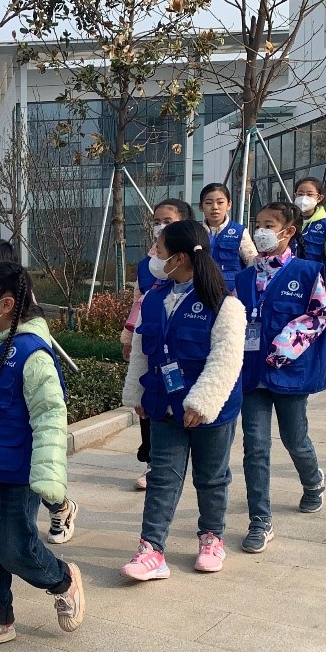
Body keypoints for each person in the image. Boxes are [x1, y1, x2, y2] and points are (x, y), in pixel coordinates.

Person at [0, 260, 86, 651]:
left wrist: (49, 477)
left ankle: (62, 580)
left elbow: (50, 417)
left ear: (6, 304)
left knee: (14, 547)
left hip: (16, 472)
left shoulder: (33, 354)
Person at [120, 220, 246, 581]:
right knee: (162, 477)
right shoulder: (153, 298)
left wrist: (201, 403)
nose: (153, 255)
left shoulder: (224, 304)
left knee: (211, 477)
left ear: (179, 258)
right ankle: (151, 550)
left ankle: (211, 538)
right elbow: (141, 351)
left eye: (159, 249)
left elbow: (226, 359)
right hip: (164, 404)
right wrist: (137, 393)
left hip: (210, 410)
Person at [0, 239, 79, 543]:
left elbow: (48, 413)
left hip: (17, 453)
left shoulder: (28, 343)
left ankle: (61, 508)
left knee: (17, 539)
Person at [234, 202, 326, 553]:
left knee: (295, 438)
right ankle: (260, 520)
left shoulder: (307, 272)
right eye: (257, 224)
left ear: (288, 231)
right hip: (251, 375)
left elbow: (317, 316)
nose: (261, 231)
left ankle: (313, 481)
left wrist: (283, 348)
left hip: (288, 373)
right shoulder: (244, 278)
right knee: (255, 446)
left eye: (269, 225)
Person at [123, 199, 195, 490]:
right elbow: (138, 303)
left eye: (167, 221)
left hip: (184, 347)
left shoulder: (198, 262)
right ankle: (154, 462)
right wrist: (129, 337)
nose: (160, 226)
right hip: (152, 343)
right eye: (156, 221)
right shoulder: (148, 264)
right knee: (149, 399)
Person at [294, 177, 326, 305]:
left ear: (319, 198)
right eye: (300, 194)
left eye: (309, 194)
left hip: (316, 286)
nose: (304, 198)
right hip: (291, 283)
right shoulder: (289, 222)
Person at [198, 183, 257, 288]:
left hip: (232, 291)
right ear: (201, 206)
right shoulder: (196, 232)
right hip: (201, 289)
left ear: (229, 204)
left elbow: (252, 264)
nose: (215, 207)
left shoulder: (239, 232)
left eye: (220, 202)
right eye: (208, 203)